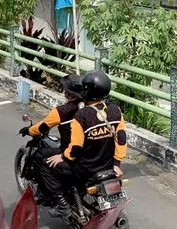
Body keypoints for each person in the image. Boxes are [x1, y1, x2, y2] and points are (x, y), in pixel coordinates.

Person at [42, 70, 127, 216]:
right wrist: (117, 164)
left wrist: (62, 157)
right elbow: (121, 139)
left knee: (47, 166)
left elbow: (75, 149)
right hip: (108, 166)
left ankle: (62, 205)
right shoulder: (115, 111)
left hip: (85, 169)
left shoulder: (81, 116)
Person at [19, 74, 84, 200]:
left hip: (71, 152)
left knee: (42, 159)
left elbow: (42, 127)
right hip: (89, 152)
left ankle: (56, 198)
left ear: (68, 93)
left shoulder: (61, 111)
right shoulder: (90, 107)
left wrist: (28, 131)